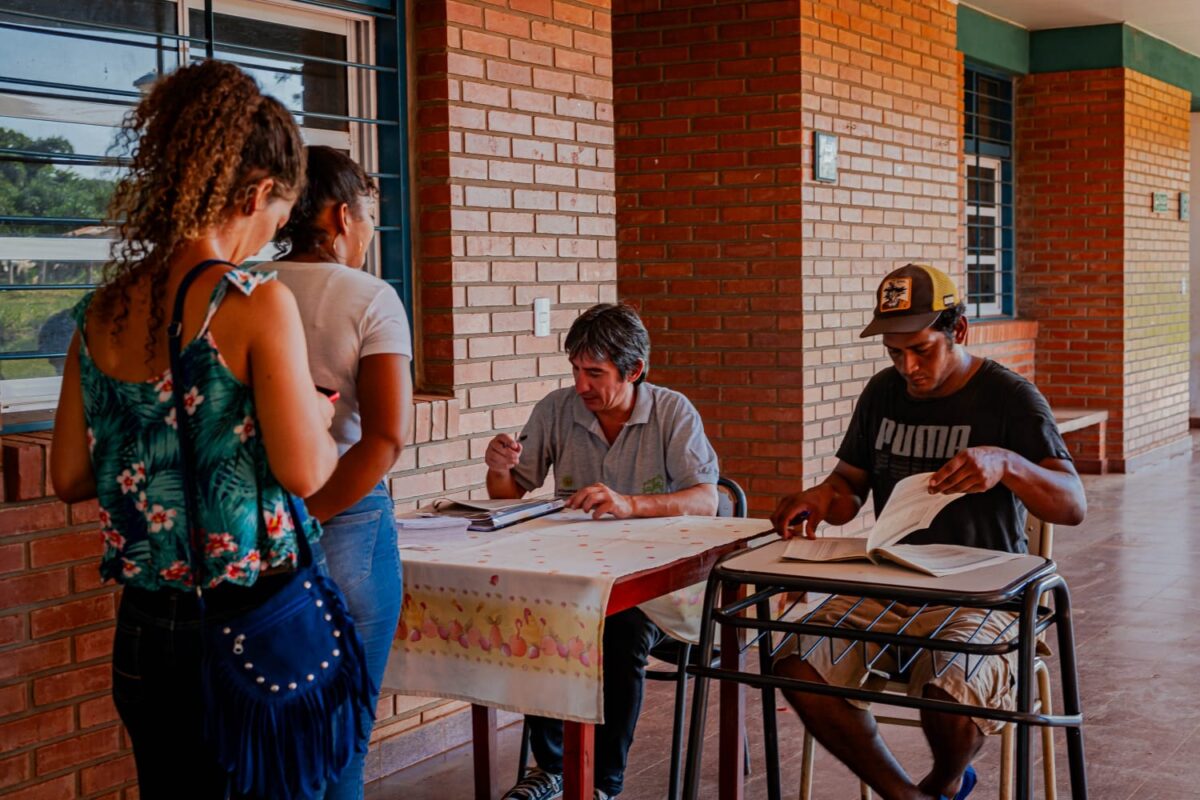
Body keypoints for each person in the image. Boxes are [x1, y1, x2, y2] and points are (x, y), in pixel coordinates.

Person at [49, 61, 339, 797]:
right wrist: (316, 412)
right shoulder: (252, 303)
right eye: (279, 215)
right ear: (253, 193)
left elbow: (70, 477)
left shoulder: (102, 312)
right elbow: (307, 473)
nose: (274, 236)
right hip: (245, 628)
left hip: (144, 632)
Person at [771, 263, 1087, 800]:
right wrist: (818, 500)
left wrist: (1007, 463)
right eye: (895, 353)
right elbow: (850, 486)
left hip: (983, 594)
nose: (909, 366)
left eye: (921, 349)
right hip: (892, 581)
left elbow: (1073, 504)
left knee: (951, 690)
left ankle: (942, 783)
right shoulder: (882, 394)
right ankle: (907, 797)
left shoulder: (1010, 397)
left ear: (958, 332)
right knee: (796, 663)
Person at [485, 302, 720, 800]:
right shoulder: (557, 408)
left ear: (634, 371)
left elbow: (707, 498)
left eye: (595, 373)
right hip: (576, 575)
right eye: (575, 370)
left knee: (619, 629)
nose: (582, 385)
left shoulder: (671, 411)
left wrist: (631, 504)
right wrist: (500, 467)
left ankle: (601, 784)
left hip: (665, 584)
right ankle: (552, 768)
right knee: (538, 613)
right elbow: (509, 495)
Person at [273, 145, 413, 800]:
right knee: (343, 742)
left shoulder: (246, 289)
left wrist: (285, 518)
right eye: (369, 218)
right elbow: (385, 436)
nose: (369, 233)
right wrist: (316, 514)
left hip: (257, 525)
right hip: (348, 520)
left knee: (278, 738)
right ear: (338, 214)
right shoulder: (371, 297)